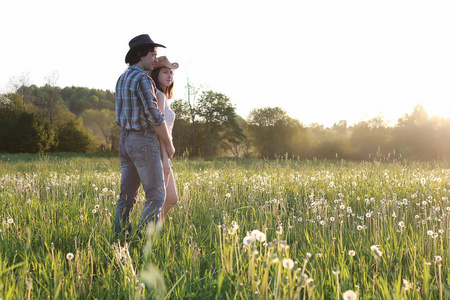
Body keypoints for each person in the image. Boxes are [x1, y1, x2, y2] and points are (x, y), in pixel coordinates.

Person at [114, 34, 175, 238]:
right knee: (156, 196)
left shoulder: (123, 77)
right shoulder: (142, 79)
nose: (155, 59)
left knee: (127, 196)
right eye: (153, 54)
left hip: (125, 139)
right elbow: (155, 117)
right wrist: (168, 143)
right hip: (143, 141)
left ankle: (120, 236)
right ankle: (142, 240)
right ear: (141, 55)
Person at [150, 56, 179, 220]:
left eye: (171, 73)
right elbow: (158, 129)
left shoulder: (163, 97)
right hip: (160, 153)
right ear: (156, 74)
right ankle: (149, 232)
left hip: (163, 153)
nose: (169, 75)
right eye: (165, 72)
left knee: (170, 199)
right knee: (167, 198)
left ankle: (153, 233)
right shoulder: (159, 96)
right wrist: (165, 158)